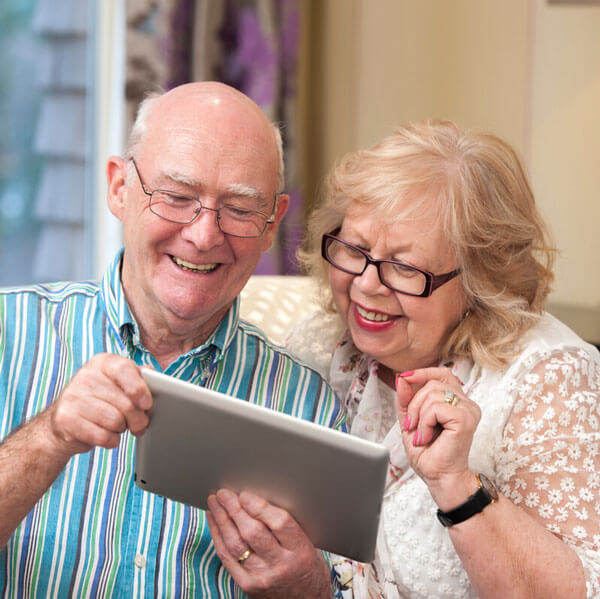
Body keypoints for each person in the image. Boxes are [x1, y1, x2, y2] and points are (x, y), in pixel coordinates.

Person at [0, 82, 344, 598]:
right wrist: (49, 437)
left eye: (241, 208)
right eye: (177, 197)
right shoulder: (10, 334)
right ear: (119, 188)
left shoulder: (309, 405)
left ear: (273, 222)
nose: (205, 234)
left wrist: (309, 589)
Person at [287, 120, 600, 598]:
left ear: (479, 280)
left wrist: (457, 484)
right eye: (355, 249)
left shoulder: (545, 378)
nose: (366, 285)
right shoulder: (320, 344)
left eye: (404, 268)